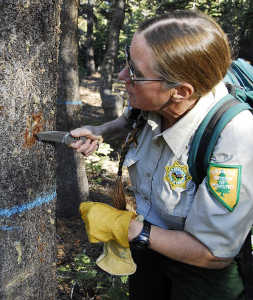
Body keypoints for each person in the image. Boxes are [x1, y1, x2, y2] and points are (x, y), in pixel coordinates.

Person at [70, 10, 253, 300]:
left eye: (135, 74)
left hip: (200, 271)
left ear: (180, 92)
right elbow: (130, 121)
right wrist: (101, 130)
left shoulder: (234, 137)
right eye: (128, 62)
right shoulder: (151, 99)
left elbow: (213, 253)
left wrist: (128, 229)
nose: (121, 76)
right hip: (149, 251)